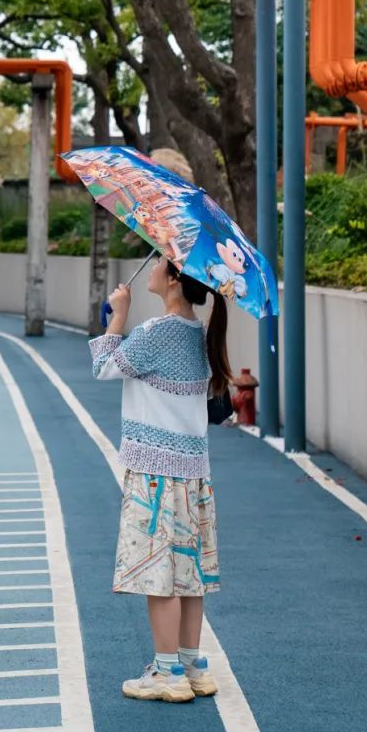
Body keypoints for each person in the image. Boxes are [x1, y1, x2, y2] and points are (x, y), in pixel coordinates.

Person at [88, 255, 232, 703]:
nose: (148, 267)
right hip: (193, 475)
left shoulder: (157, 332)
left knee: (159, 576)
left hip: (155, 475)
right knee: (189, 575)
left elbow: (104, 367)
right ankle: (192, 665)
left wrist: (118, 317)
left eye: (157, 264)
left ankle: (166, 672)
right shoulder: (199, 335)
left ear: (172, 280)